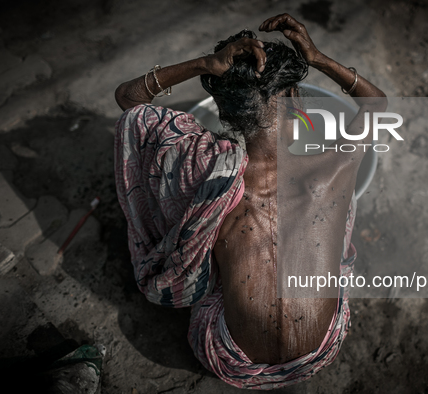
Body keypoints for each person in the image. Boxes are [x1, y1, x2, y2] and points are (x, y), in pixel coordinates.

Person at [114, 13, 387, 390]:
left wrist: (203, 65)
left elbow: (130, 99)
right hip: (321, 351)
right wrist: (318, 57)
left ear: (224, 114)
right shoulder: (333, 168)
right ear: (294, 99)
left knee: (206, 243)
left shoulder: (206, 172)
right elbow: (375, 104)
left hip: (230, 359)